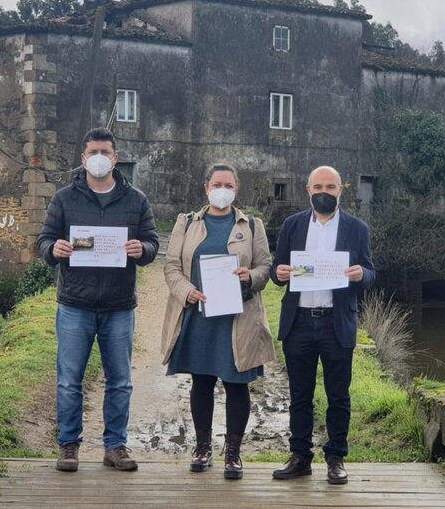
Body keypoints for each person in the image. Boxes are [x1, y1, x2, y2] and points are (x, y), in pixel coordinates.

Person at [38, 128, 159, 472]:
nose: (99, 157)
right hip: (75, 303)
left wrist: (143, 249)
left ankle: (115, 446)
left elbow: (152, 244)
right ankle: (69, 445)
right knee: (68, 379)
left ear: (115, 157)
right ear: (84, 158)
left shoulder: (136, 200)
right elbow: (44, 241)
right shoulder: (64, 198)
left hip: (119, 305)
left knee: (120, 380)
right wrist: (54, 249)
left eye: (105, 151)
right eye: (93, 151)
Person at [161, 163, 276, 480]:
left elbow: (265, 267)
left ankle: (233, 453)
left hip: (238, 319)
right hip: (199, 316)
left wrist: (249, 276)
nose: (222, 189)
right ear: (206, 187)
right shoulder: (186, 223)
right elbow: (172, 267)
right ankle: (202, 448)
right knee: (201, 382)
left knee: (237, 386)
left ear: (236, 189)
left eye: (228, 184)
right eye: (217, 183)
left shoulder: (252, 225)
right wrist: (187, 291)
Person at [270, 165, 376, 485]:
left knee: (338, 395)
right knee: (299, 395)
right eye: (318, 186)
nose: (324, 192)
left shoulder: (357, 229)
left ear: (340, 190)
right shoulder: (292, 225)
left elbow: (371, 274)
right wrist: (282, 274)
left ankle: (336, 458)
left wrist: (361, 274)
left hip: (336, 323)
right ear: (308, 189)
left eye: (331, 187)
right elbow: (277, 270)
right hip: (299, 322)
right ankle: (300, 457)